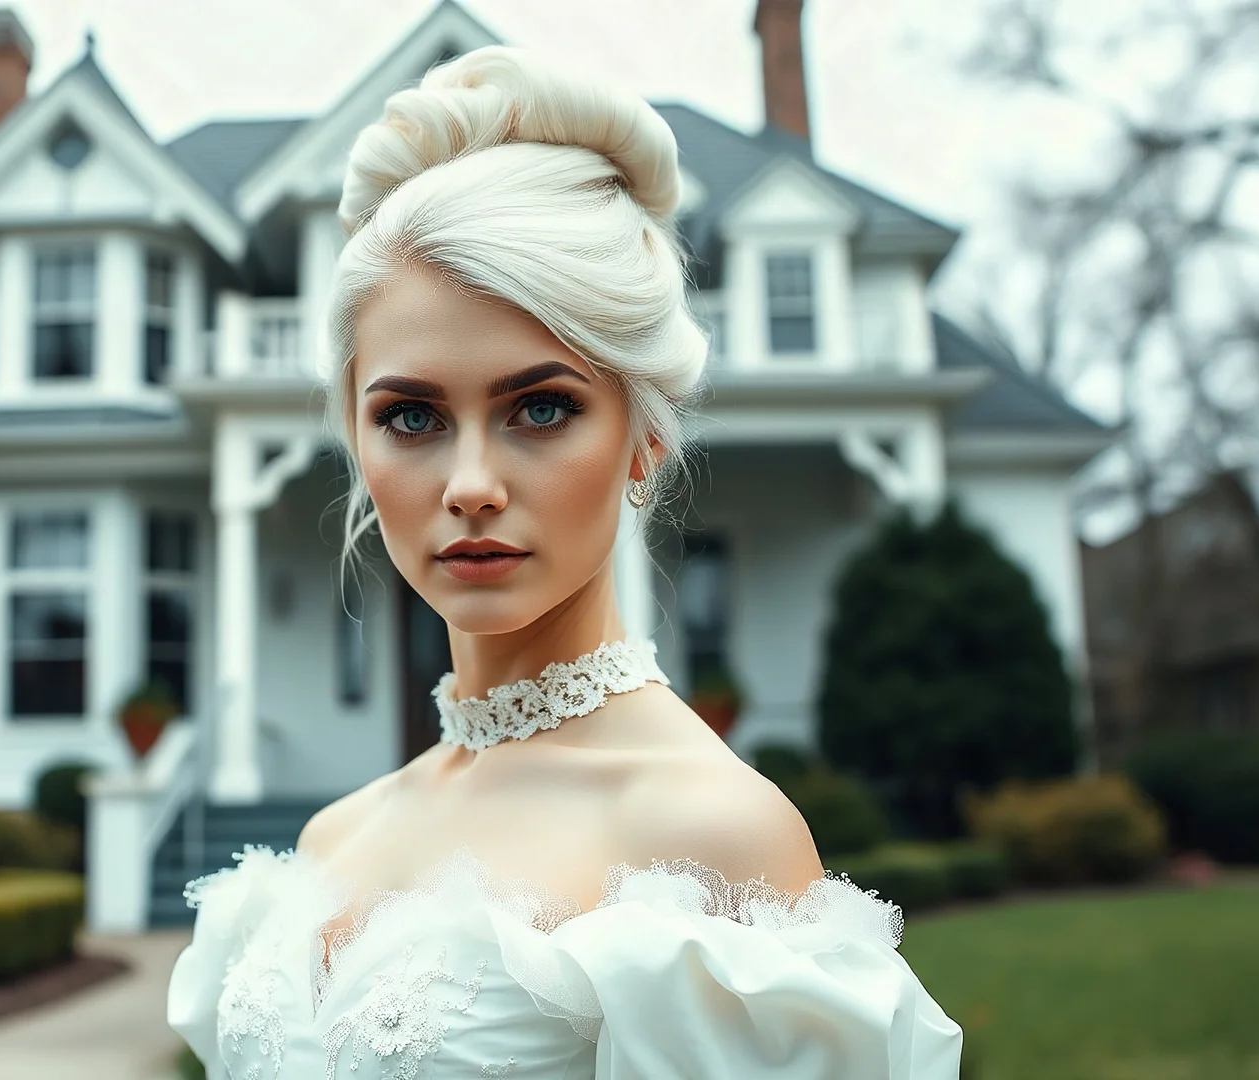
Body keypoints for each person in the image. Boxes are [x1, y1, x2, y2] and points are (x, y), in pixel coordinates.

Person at [167, 45, 964, 1078]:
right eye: (410, 415)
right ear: (357, 443)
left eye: (540, 408)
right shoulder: (330, 840)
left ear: (644, 440)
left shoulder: (711, 831)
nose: (469, 484)